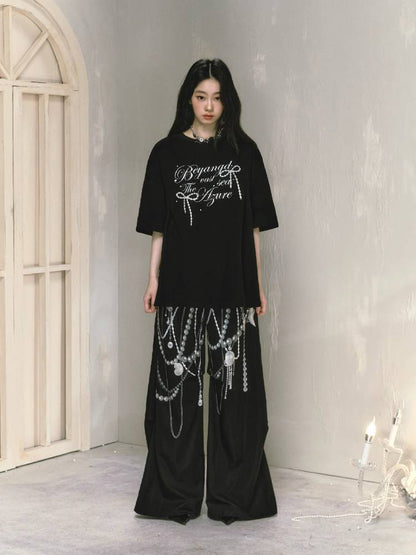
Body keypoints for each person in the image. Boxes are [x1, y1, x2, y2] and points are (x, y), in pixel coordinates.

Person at [133, 58, 279, 525]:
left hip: (232, 291)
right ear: (189, 100)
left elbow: (254, 229)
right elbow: (159, 228)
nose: (209, 106)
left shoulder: (244, 153)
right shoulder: (166, 154)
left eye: (217, 97)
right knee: (175, 397)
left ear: (227, 100)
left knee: (236, 400)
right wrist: (153, 279)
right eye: (201, 97)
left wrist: (257, 287)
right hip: (179, 289)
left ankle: (233, 497)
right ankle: (174, 496)